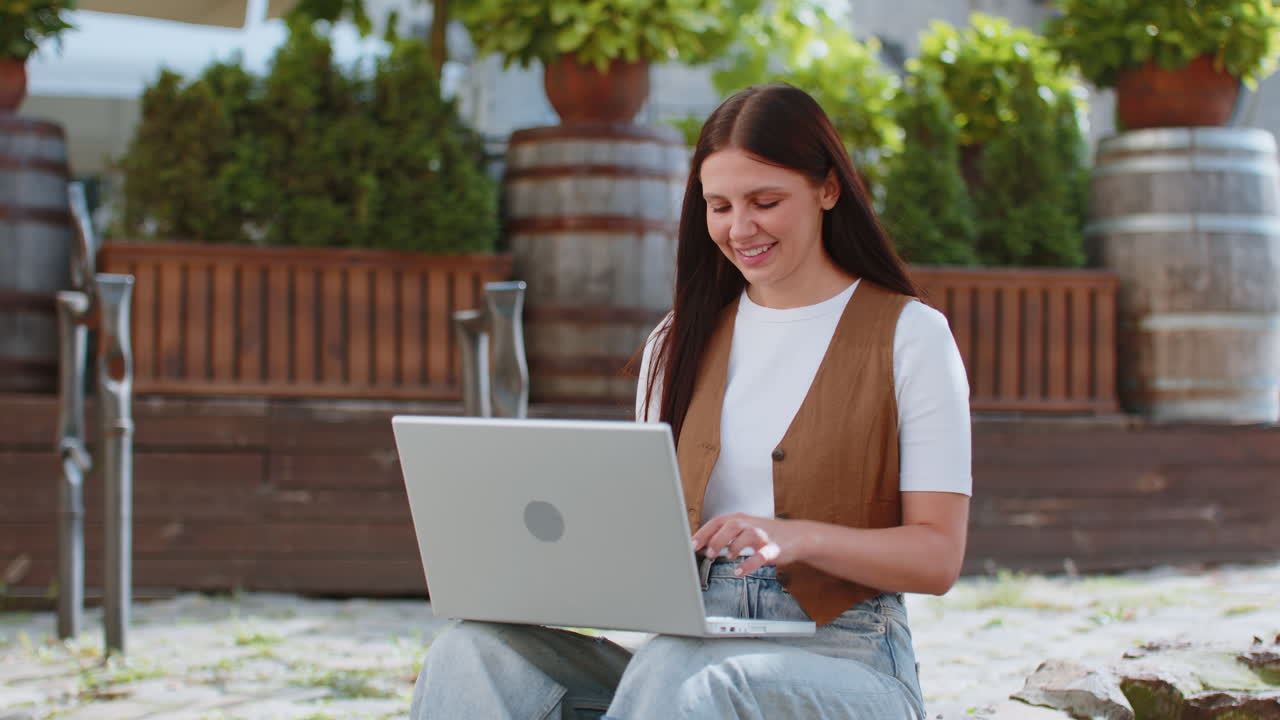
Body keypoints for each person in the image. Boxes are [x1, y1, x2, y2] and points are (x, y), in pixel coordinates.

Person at [409, 83, 972, 719]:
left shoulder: (910, 336)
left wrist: (796, 538)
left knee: (682, 670)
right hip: (682, 657)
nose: (740, 228)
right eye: (720, 205)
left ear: (828, 189)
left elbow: (937, 556)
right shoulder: (676, 341)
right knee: (473, 652)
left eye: (765, 201)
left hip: (848, 664)